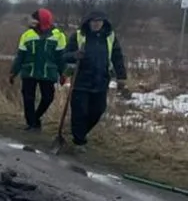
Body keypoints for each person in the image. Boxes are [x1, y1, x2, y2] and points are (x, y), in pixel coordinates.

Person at [60, 9, 129, 151]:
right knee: (80, 112)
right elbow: (64, 55)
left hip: (101, 81)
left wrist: (121, 77)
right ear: (88, 22)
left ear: (104, 23)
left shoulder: (110, 37)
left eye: (99, 21)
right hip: (80, 81)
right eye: (94, 21)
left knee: (98, 111)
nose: (97, 24)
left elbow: (117, 57)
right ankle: (79, 141)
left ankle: (79, 132)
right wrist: (75, 55)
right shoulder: (79, 36)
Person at [9, 8, 66, 131]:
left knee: (48, 98)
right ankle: (31, 123)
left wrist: (63, 73)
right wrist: (13, 72)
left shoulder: (58, 35)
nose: (31, 21)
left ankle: (36, 117)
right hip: (29, 71)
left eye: (35, 19)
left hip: (48, 72)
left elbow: (61, 57)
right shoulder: (26, 35)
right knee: (28, 98)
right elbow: (20, 56)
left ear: (42, 20)